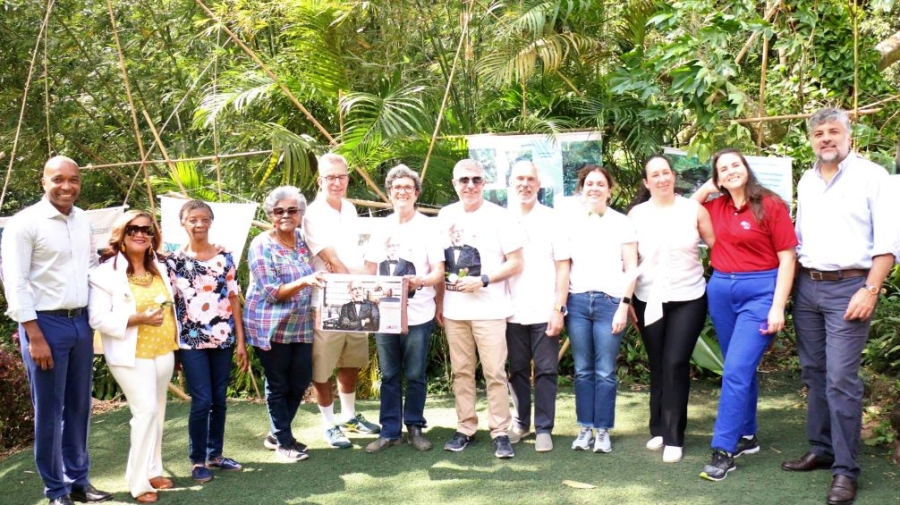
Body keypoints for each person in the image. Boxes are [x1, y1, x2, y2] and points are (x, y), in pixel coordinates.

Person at [782, 108, 894, 505]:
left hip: (851, 286)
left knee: (841, 378)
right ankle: (822, 448)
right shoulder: (807, 181)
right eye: (818, 133)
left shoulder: (873, 177)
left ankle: (846, 471)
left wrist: (871, 289)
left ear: (849, 135)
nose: (826, 138)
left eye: (833, 131)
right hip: (807, 288)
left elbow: (888, 241)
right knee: (814, 372)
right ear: (811, 139)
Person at [1, 156, 112, 505]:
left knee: (80, 406)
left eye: (74, 180)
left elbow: (91, 265)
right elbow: (15, 282)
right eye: (58, 179)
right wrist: (33, 335)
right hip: (44, 325)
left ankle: (78, 480)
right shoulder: (25, 223)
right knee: (49, 411)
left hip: (80, 322)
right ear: (43, 181)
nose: (67, 187)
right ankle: (55, 490)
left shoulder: (82, 221)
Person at [688, 149, 798, 480]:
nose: (731, 171)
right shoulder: (714, 205)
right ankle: (747, 435)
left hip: (761, 291)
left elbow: (788, 259)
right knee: (740, 367)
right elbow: (685, 211)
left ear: (747, 168)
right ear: (717, 177)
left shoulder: (770, 203)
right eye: (723, 168)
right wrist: (709, 187)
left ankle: (723, 449)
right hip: (721, 290)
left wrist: (778, 306)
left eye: (736, 164)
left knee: (735, 369)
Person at [628, 155, 715, 463]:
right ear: (646, 182)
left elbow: (718, 247)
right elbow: (628, 262)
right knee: (658, 362)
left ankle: (675, 437)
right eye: (655, 174)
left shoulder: (693, 209)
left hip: (689, 297)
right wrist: (626, 303)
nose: (662, 178)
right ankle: (659, 429)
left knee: (676, 361)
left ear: (673, 176)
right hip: (648, 298)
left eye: (666, 173)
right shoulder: (636, 215)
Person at [88, 211, 178, 504]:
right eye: (133, 229)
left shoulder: (159, 268)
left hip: (163, 349)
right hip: (130, 353)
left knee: (159, 412)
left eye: (146, 230)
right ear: (121, 235)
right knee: (146, 412)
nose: (140, 234)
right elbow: (97, 318)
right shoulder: (104, 273)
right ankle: (138, 482)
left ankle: (154, 469)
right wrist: (137, 318)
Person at [438, 159, 523, 459]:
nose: (470, 185)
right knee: (461, 372)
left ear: (484, 183)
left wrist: (483, 280)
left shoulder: (501, 217)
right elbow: (440, 264)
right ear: (455, 184)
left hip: (491, 310)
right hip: (454, 311)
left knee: (495, 373)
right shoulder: (445, 215)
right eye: (464, 180)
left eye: (475, 179)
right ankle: (466, 428)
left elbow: (516, 262)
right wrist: (439, 303)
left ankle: (500, 431)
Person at [363, 164, 446, 453]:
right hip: (384, 315)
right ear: (389, 194)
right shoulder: (380, 227)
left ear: (416, 193)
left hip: (419, 314)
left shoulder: (429, 227)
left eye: (408, 188)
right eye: (397, 188)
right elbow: (370, 269)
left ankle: (414, 427)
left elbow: (439, 272)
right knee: (388, 374)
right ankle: (389, 431)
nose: (402, 192)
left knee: (415, 374)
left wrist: (419, 282)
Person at [165, 200, 248, 482]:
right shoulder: (172, 262)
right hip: (191, 340)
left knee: (219, 400)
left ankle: (215, 454)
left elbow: (234, 298)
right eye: (193, 219)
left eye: (204, 219)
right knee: (201, 400)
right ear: (183, 223)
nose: (199, 224)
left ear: (211, 222)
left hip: (223, 337)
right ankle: (197, 460)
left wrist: (240, 340)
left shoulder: (225, 256)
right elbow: (169, 303)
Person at [302, 153, 380, 448]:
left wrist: (366, 285)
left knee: (352, 359)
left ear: (348, 179)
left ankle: (349, 416)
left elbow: (359, 253)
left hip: (354, 297)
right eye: (330, 177)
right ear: (320, 181)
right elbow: (332, 261)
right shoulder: (312, 214)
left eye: (342, 176)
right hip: (326, 300)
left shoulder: (349, 209)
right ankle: (329, 422)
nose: (337, 182)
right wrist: (361, 287)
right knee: (323, 365)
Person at [245, 186, 325, 462]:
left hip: (301, 324)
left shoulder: (303, 240)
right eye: (279, 211)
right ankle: (284, 443)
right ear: (270, 214)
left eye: (292, 210)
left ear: (301, 214)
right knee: (278, 384)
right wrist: (305, 281)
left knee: (300, 381)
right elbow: (272, 291)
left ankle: (276, 434)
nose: (285, 216)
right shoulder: (261, 245)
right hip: (270, 324)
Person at [564, 165, 637, 454]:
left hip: (610, 304)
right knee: (583, 370)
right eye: (589, 184)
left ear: (610, 190)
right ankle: (584, 428)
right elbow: (564, 264)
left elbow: (631, 268)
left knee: (605, 371)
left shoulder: (622, 223)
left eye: (600, 184)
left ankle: (603, 430)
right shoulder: (571, 222)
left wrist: (624, 306)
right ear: (581, 189)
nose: (594, 188)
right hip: (578, 302)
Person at [504, 160, 570, 453]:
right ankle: (520, 423)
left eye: (530, 179)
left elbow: (563, 267)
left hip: (545, 309)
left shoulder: (553, 219)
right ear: (510, 183)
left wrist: (559, 308)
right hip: (508, 311)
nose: (525, 184)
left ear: (539, 185)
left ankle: (544, 428)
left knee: (546, 370)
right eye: (519, 179)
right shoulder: (501, 219)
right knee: (516, 370)